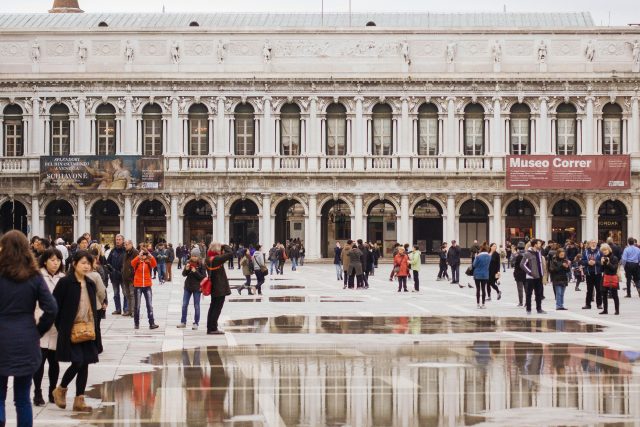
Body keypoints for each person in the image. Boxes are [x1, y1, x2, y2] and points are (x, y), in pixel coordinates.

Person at [0, 231, 57, 426]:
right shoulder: (34, 276)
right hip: (26, 338)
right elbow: (52, 308)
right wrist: (38, 331)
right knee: (22, 398)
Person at [51, 251, 101, 413]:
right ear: (74, 264)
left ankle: (79, 399)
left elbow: (94, 309)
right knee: (78, 361)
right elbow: (53, 307)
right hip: (71, 330)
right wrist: (62, 327)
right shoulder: (66, 283)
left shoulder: (90, 283)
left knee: (85, 363)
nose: (86, 266)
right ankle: (61, 389)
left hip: (88, 329)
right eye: (83, 263)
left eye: (89, 263)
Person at [33, 248, 65, 406]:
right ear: (45, 261)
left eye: (58, 260)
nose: (55, 263)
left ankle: (53, 390)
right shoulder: (37, 277)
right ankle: (37, 391)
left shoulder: (63, 278)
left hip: (57, 326)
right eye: (52, 259)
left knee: (54, 361)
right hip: (40, 322)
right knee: (39, 360)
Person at [205, 243, 234, 335]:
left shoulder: (208, 258)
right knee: (217, 308)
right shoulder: (217, 259)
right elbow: (230, 253)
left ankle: (210, 327)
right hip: (219, 287)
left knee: (212, 307)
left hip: (214, 286)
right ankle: (213, 328)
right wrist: (224, 246)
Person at [131, 249, 159, 330]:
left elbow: (155, 264)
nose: (143, 255)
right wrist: (138, 256)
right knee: (137, 305)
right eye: (142, 254)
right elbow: (132, 263)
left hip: (147, 286)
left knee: (149, 305)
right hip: (138, 286)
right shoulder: (137, 262)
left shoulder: (148, 262)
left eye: (144, 254)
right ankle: (136, 323)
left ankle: (152, 323)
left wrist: (150, 256)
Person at [178, 254, 205, 330]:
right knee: (184, 305)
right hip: (188, 287)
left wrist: (195, 271)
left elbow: (203, 277)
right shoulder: (188, 263)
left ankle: (196, 323)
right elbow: (184, 274)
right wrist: (186, 269)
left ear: (198, 256)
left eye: (196, 256)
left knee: (196, 306)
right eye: (193, 255)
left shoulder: (201, 265)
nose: (194, 257)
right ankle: (183, 322)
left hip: (197, 288)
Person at [520, 239, 546, 314]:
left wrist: (542, 273)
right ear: (535, 244)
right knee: (529, 294)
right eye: (539, 243)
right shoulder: (528, 253)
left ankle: (539, 309)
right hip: (531, 277)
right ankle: (528, 309)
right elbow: (522, 264)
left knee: (538, 293)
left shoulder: (539, 252)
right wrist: (530, 272)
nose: (540, 245)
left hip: (539, 276)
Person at [106, 234, 127, 315]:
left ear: (123, 240)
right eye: (116, 239)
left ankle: (125, 309)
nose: (117, 241)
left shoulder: (125, 250)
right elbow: (108, 262)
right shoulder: (113, 250)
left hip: (123, 276)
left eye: (119, 239)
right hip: (114, 276)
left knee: (125, 293)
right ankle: (118, 309)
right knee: (115, 293)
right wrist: (111, 271)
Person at [599, 243, 620, 315]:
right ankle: (605, 310)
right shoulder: (603, 258)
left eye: (605, 250)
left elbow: (614, 269)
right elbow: (601, 270)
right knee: (604, 294)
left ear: (609, 249)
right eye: (603, 250)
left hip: (612, 277)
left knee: (614, 295)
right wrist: (602, 263)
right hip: (605, 277)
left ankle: (617, 310)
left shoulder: (614, 258)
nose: (604, 251)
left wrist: (608, 263)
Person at [581, 240, 603, 310]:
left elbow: (602, 261)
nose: (593, 244)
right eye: (592, 243)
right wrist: (588, 262)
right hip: (589, 273)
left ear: (596, 244)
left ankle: (599, 304)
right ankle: (588, 304)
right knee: (589, 290)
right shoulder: (586, 252)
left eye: (594, 243)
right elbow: (582, 261)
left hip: (598, 273)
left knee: (599, 289)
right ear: (589, 244)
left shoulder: (600, 252)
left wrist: (595, 262)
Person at [472, 244, 491, 309]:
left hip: (477, 274)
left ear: (481, 249)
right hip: (485, 274)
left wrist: (475, 257)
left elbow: (474, 265)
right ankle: (483, 304)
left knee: (478, 289)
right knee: (483, 289)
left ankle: (478, 304)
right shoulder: (489, 256)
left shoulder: (478, 256)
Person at [512, 242, 526, 307]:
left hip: (518, 273)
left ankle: (521, 302)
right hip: (526, 273)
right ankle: (527, 302)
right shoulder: (527, 254)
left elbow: (512, 263)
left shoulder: (516, 255)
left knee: (520, 289)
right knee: (527, 289)